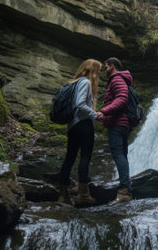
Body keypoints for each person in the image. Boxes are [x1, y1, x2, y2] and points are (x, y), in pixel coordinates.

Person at [58, 59, 102, 206]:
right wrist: (95, 115)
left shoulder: (75, 83)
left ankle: (64, 195)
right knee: (85, 158)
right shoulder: (85, 82)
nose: (100, 73)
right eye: (98, 70)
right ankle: (83, 194)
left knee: (69, 158)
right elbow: (80, 104)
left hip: (72, 126)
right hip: (83, 124)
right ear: (93, 71)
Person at [96, 57, 133, 204]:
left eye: (106, 66)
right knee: (122, 155)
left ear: (112, 66)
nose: (105, 69)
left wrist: (104, 111)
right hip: (122, 124)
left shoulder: (116, 79)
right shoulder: (121, 79)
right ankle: (126, 189)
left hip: (118, 124)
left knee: (118, 154)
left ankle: (124, 191)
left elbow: (122, 98)